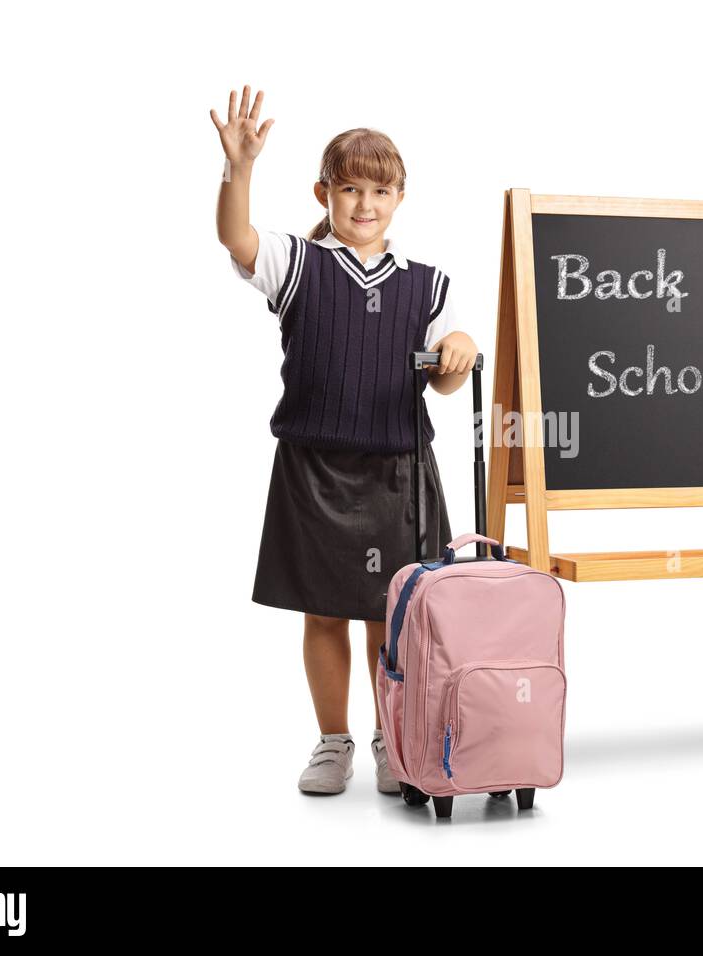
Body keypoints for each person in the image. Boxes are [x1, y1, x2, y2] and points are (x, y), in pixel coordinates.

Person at [211, 86, 478, 796]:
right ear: (324, 191)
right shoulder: (295, 263)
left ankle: (395, 737)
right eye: (351, 188)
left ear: (400, 197)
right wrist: (237, 170)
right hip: (315, 466)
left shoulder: (429, 285)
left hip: (400, 470)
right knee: (324, 609)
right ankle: (334, 742)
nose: (365, 203)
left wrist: (459, 346)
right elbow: (235, 236)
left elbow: (445, 381)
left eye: (380, 190)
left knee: (394, 612)